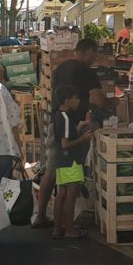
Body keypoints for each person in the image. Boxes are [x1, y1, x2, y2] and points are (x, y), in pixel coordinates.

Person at [35, 38, 103, 226]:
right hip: (75, 127)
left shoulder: (60, 69)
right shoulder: (86, 72)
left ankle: (42, 217)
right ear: (86, 51)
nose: (95, 57)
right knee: (70, 184)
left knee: (50, 171)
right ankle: (67, 225)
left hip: (54, 122)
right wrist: (110, 103)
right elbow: (97, 99)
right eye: (94, 53)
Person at [50, 89, 95, 239]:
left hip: (61, 160)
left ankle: (57, 229)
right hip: (71, 161)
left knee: (61, 194)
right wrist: (83, 139)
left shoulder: (58, 115)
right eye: (75, 98)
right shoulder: (66, 118)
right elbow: (66, 144)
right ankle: (69, 230)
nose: (78, 101)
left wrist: (78, 127)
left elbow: (64, 136)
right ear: (67, 99)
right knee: (71, 195)